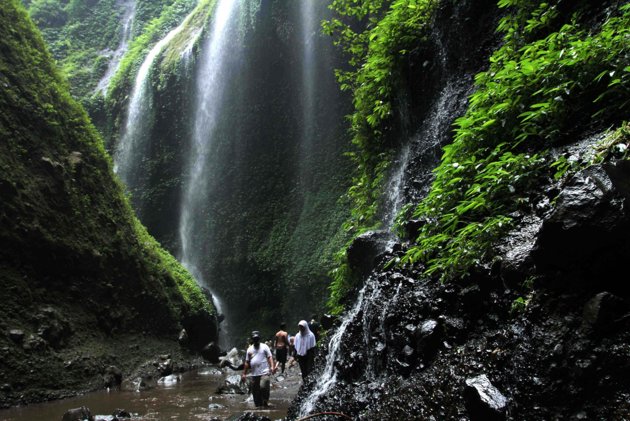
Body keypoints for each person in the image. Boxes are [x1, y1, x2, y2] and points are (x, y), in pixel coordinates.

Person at [241, 331, 276, 408]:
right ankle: (258, 408)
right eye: (254, 339)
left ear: (259, 338)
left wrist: (272, 367)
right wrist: (244, 374)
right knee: (255, 392)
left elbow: (270, 357)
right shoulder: (249, 349)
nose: (256, 340)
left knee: (263, 386)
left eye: (257, 338)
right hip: (254, 374)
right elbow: (247, 362)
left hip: (264, 372)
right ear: (252, 339)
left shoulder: (264, 347)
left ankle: (265, 401)